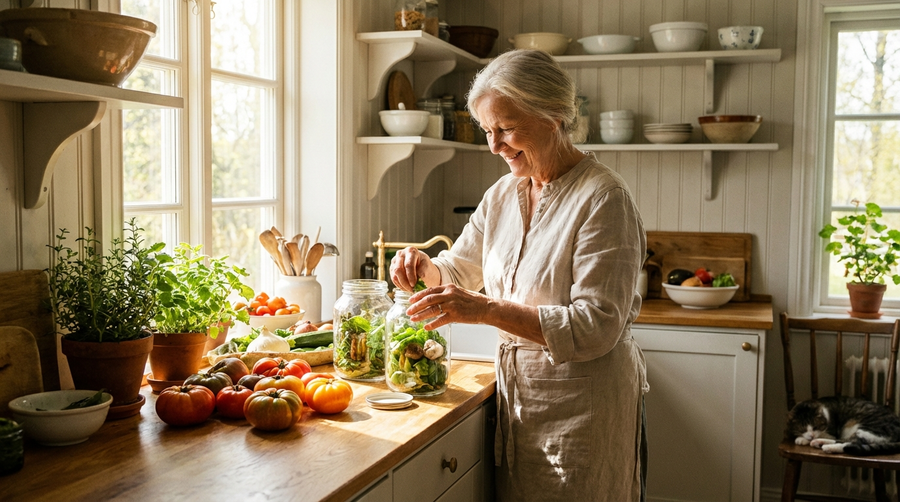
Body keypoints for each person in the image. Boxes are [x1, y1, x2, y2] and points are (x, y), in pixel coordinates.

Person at [389, 49, 649, 501]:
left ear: (552, 116)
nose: (494, 146)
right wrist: (423, 267)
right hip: (519, 402)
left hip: (584, 410)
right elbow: (459, 270)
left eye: (506, 128)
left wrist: (486, 310)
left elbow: (596, 326)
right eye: (487, 131)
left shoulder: (604, 198)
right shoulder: (502, 194)